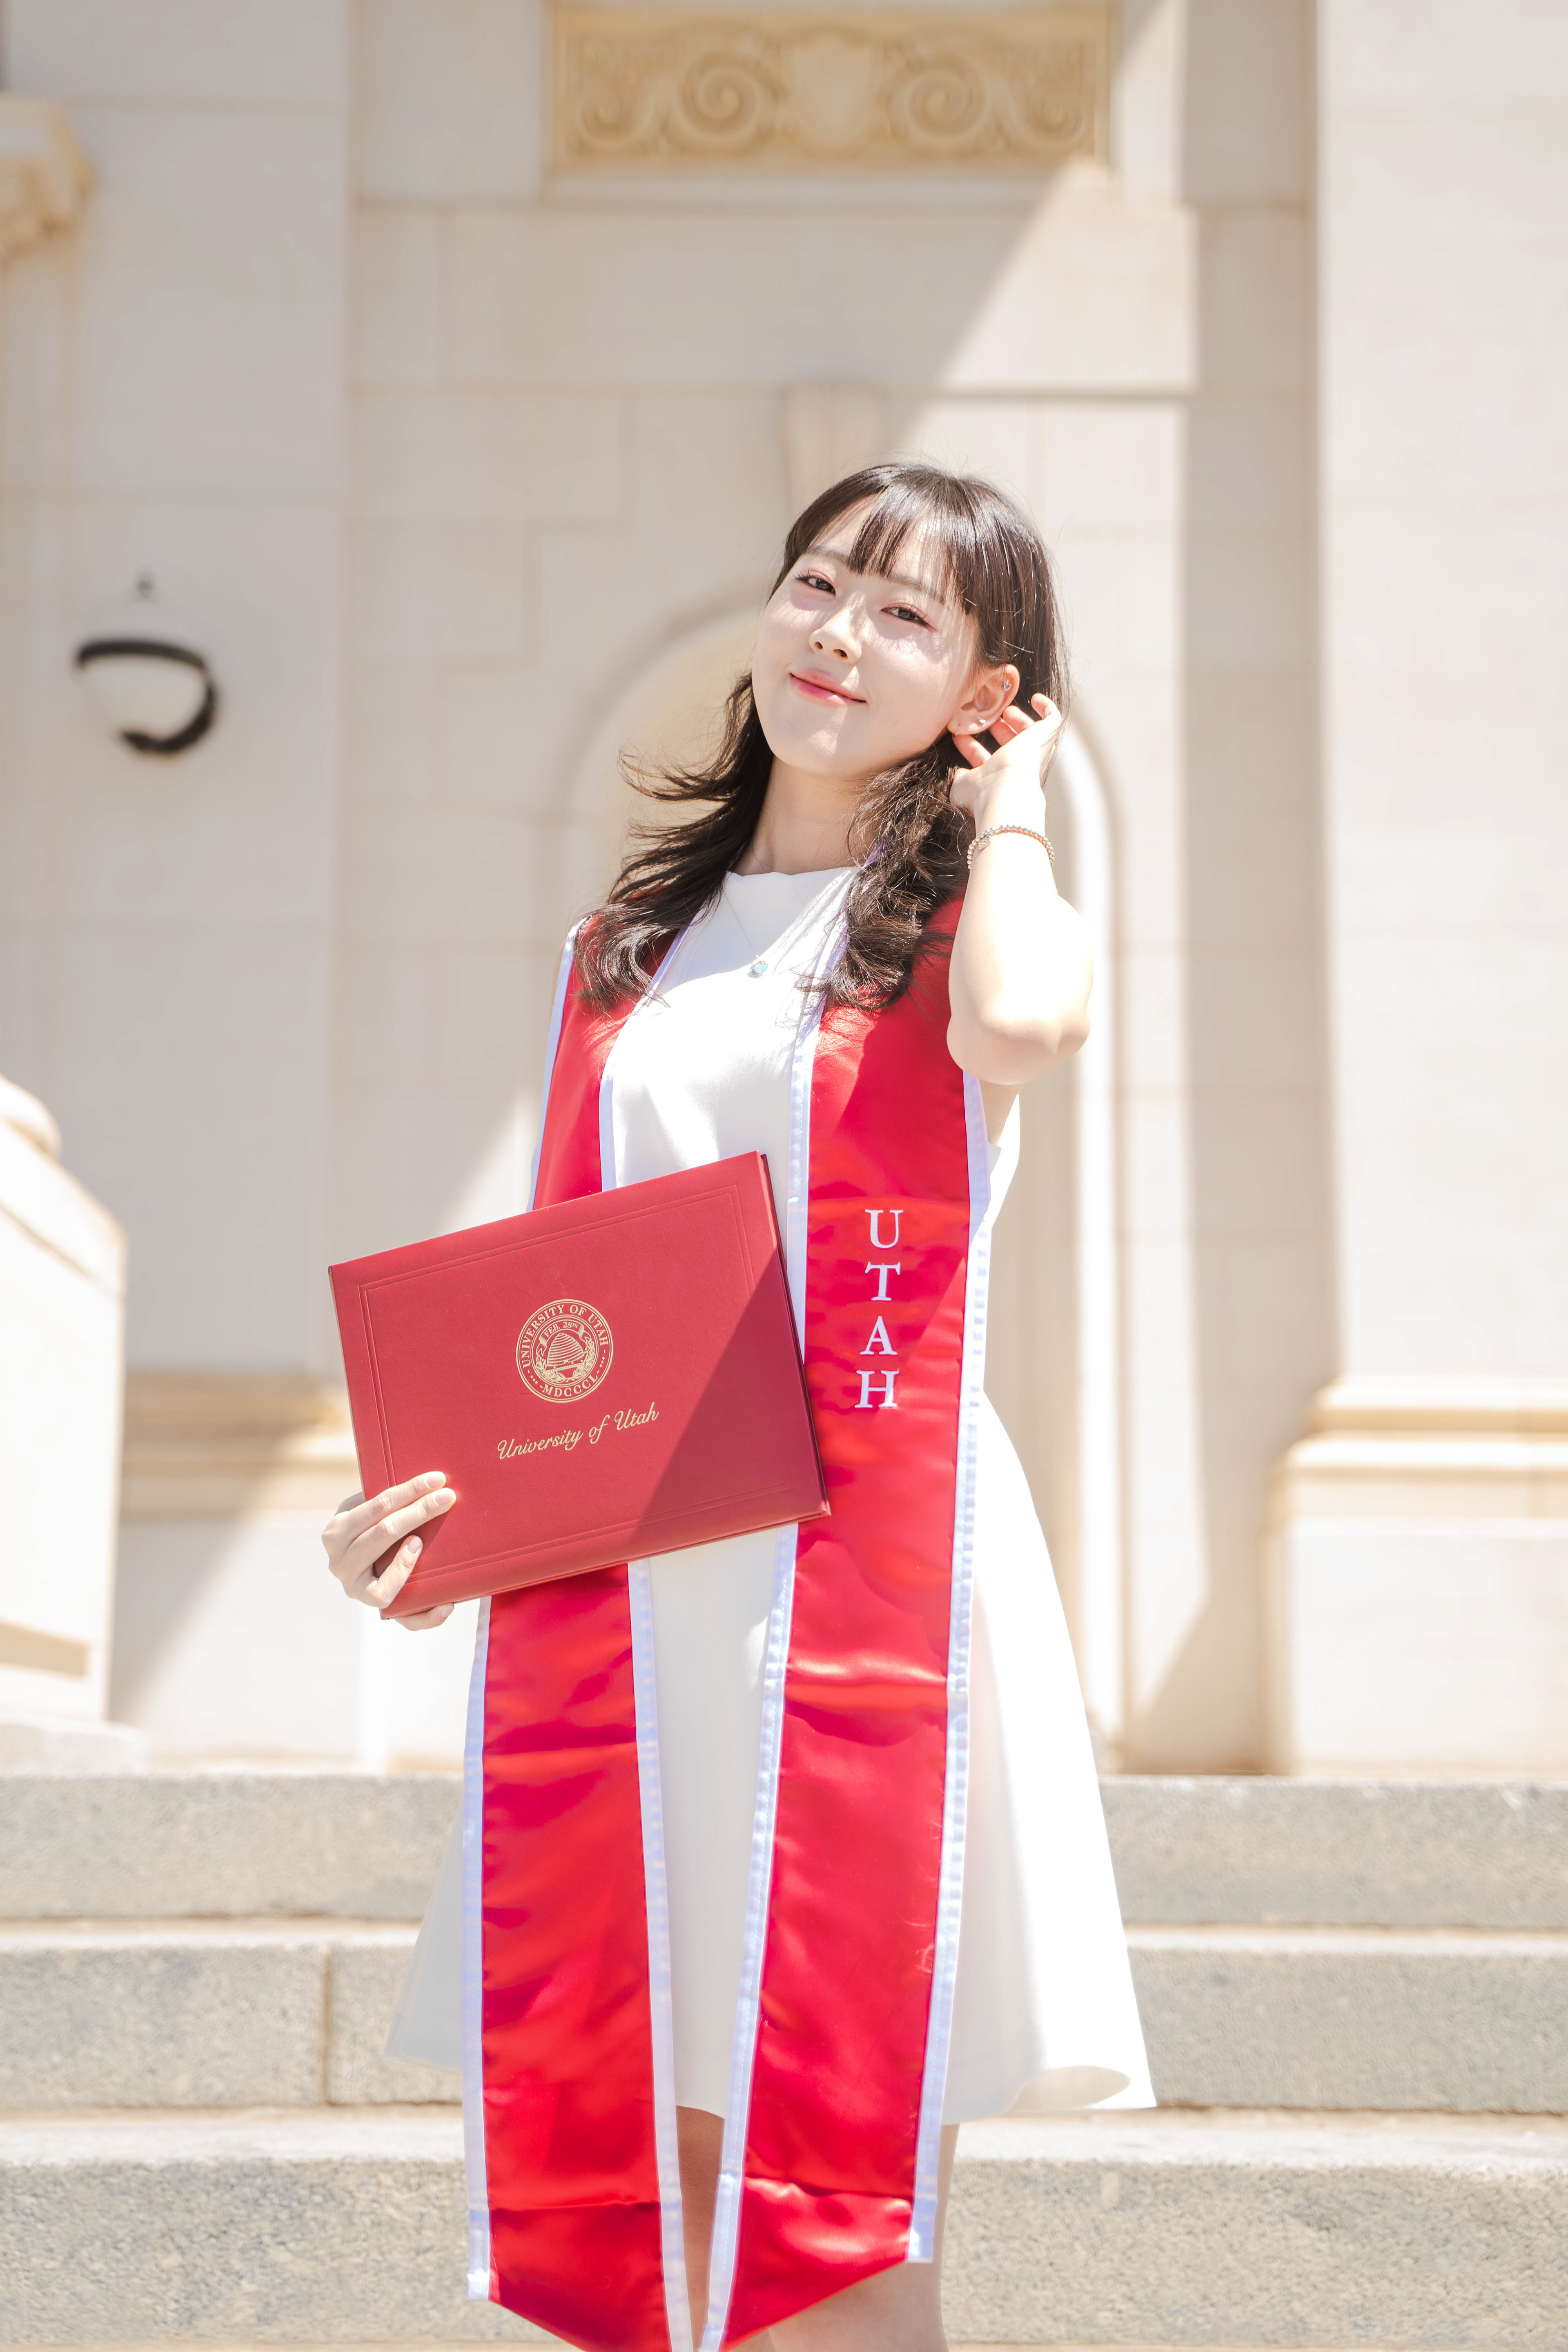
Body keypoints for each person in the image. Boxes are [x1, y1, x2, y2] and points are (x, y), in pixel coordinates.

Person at [322, 463, 1152, 2352]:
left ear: (984, 687)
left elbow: (1024, 1033)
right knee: (664, 2184)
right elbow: (560, 1301)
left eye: (908, 614)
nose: (840, 635)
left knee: (841, 2216)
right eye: (820, 584)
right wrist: (439, 1528)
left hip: (868, 1573)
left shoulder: (971, 922)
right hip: (647, 1590)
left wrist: (1009, 807)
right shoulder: (625, 950)